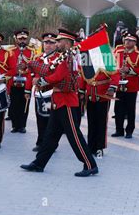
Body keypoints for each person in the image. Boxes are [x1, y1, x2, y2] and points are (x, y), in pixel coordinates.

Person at [20, 29, 98, 177]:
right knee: (50, 135)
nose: (56, 43)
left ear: (67, 43)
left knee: (74, 136)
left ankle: (90, 164)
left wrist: (41, 80)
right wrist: (34, 69)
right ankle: (39, 163)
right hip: (59, 101)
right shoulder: (64, 57)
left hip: (67, 102)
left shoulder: (68, 57)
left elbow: (58, 75)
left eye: (59, 41)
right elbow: (51, 72)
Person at [79, 55, 119, 158]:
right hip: (90, 95)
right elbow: (83, 75)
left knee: (101, 123)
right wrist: (81, 90)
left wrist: (112, 88)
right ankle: (91, 146)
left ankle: (99, 147)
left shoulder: (107, 57)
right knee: (91, 122)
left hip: (103, 95)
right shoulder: (87, 59)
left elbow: (115, 74)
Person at [111, 32, 139, 139]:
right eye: (126, 40)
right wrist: (118, 70)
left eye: (130, 40)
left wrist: (129, 70)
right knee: (118, 109)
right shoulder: (119, 52)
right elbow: (112, 65)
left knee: (130, 109)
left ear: (134, 42)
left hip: (132, 85)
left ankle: (129, 130)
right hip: (120, 84)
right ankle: (119, 129)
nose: (127, 42)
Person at [32, 33, 59, 152]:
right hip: (40, 93)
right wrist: (29, 89)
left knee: (52, 120)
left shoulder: (59, 58)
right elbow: (32, 74)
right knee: (40, 118)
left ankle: (51, 144)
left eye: (51, 43)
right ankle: (40, 142)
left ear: (56, 44)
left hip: (53, 92)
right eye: (46, 42)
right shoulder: (38, 58)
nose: (48, 45)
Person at [7, 29, 35, 133]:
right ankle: (15, 125)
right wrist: (15, 67)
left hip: (25, 81)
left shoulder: (31, 51)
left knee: (24, 105)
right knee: (14, 104)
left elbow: (33, 66)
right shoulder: (10, 51)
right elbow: (7, 66)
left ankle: (22, 125)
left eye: (24, 38)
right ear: (16, 39)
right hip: (13, 81)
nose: (22, 40)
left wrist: (26, 66)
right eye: (20, 39)